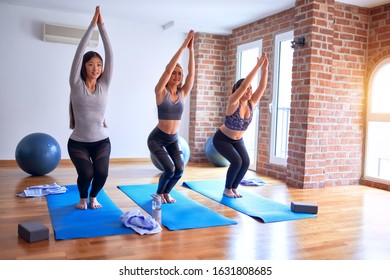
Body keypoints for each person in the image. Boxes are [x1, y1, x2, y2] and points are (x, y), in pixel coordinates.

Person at [67, 6, 113, 210]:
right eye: (91, 64)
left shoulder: (105, 85)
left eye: (99, 65)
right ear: (84, 66)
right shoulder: (76, 84)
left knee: (102, 173)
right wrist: (92, 26)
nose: (96, 68)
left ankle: (94, 197)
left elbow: (110, 54)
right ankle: (83, 198)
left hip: (101, 141)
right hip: (78, 143)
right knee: (86, 173)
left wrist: (102, 28)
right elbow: (79, 52)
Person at [147, 30, 195, 204]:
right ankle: (159, 194)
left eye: (179, 74)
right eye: (174, 73)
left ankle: (167, 192)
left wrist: (192, 50)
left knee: (179, 170)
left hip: (173, 138)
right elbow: (168, 69)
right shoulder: (160, 92)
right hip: (157, 139)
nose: (176, 76)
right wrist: (183, 47)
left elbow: (191, 75)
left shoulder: (183, 93)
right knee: (169, 168)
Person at [213, 52, 268, 198]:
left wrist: (266, 69)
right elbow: (243, 86)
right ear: (239, 91)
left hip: (237, 140)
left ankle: (234, 188)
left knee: (246, 162)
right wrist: (257, 66)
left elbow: (262, 87)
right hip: (222, 139)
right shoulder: (233, 102)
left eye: (251, 88)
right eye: (247, 88)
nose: (249, 90)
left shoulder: (251, 103)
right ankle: (227, 189)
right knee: (236, 161)